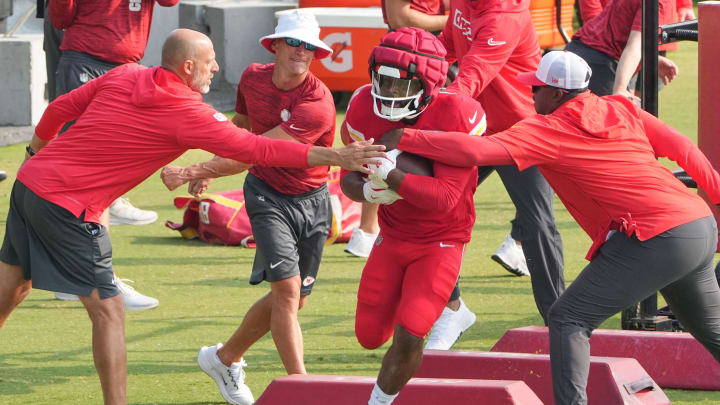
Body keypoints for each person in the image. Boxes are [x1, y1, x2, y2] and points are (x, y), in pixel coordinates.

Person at [0, 28, 383, 405]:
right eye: (209, 61)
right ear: (187, 67)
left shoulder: (124, 73)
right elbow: (258, 149)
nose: (216, 67)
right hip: (69, 207)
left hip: (30, 183)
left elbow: (60, 109)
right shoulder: (189, 113)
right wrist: (336, 156)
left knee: (14, 285)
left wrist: (35, 154)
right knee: (109, 313)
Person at [378, 50, 720, 405]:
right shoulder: (623, 107)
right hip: (697, 225)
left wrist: (403, 137)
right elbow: (683, 147)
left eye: (536, 88)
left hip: (656, 237)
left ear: (556, 94)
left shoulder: (547, 128)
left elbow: (473, 152)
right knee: (714, 332)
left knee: (568, 318)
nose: (530, 94)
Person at [159, 11, 338, 405]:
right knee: (288, 293)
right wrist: (210, 163)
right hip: (266, 195)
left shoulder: (317, 102)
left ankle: (224, 359)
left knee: (291, 299)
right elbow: (241, 128)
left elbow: (261, 151)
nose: (302, 52)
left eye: (310, 46)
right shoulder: (253, 77)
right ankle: (304, 389)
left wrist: (194, 168)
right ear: (275, 45)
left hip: (313, 201)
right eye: (295, 42)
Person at [339, 27, 484, 405]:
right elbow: (347, 179)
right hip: (393, 236)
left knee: (412, 331)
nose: (387, 95)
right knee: (369, 335)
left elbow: (446, 197)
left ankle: (380, 402)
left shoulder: (456, 111)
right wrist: (367, 190)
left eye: (399, 86)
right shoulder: (361, 106)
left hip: (442, 240)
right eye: (381, 83)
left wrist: (390, 176)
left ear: (428, 84)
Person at [46, 0, 181, 308]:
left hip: (123, 67)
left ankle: (72, 277)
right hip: (85, 61)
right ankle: (97, 278)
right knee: (82, 176)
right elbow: (60, 16)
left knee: (94, 173)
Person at [437, 0, 565, 323]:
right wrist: (412, 64)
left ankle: (561, 321)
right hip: (477, 126)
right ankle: (451, 310)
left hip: (519, 130)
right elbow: (445, 48)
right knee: (435, 201)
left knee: (537, 224)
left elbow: (468, 81)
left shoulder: (504, 17)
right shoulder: (463, 2)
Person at [346, 0, 451, 258]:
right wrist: (457, 22)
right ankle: (369, 229)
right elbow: (400, 16)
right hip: (411, 60)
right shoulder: (363, 103)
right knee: (378, 143)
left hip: (436, 57)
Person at [565, 0, 680, 101]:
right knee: (617, 123)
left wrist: (650, 59)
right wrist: (619, 89)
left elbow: (621, 29)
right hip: (599, 62)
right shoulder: (660, 2)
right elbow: (635, 45)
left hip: (578, 52)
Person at [382, 0, 449, 32]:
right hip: (408, 44)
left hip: (430, 42)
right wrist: (452, 20)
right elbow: (399, 19)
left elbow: (429, 4)